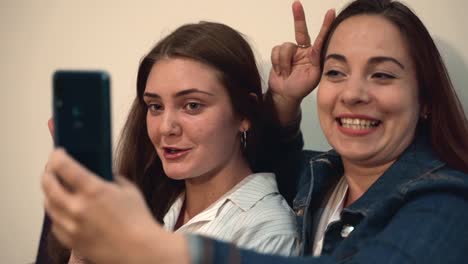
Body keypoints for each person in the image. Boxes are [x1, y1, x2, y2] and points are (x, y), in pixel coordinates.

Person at [40, 0, 468, 263]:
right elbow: (266, 153)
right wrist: (281, 100)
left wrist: (153, 250)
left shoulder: (447, 202)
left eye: (382, 76)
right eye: (335, 72)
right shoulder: (317, 177)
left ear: (426, 98)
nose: (353, 93)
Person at [40, 22, 298, 263]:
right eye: (155, 106)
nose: (165, 128)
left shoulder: (267, 232)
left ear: (245, 114)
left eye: (192, 105)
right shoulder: (151, 202)